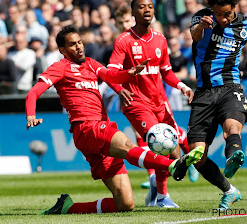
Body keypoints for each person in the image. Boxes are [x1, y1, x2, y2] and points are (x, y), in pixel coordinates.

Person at [25, 25, 204, 215]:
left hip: (97, 132)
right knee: (127, 144)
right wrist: (31, 115)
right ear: (62, 50)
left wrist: (129, 73)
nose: (79, 47)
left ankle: (67, 207)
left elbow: (111, 75)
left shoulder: (91, 64)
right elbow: (33, 93)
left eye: (79, 42)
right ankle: (172, 165)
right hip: (87, 127)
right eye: (72, 45)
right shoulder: (59, 68)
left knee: (125, 203)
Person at [108, 0, 195, 208]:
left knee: (168, 142)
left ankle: (158, 185)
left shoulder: (160, 39)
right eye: (141, 7)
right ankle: (162, 196)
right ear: (133, 13)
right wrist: (119, 89)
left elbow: (166, 72)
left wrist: (182, 86)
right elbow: (111, 72)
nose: (147, 10)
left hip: (159, 102)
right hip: (136, 102)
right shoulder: (124, 41)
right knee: (161, 141)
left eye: (150, 6)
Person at [188, 0, 247, 210]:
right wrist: (202, 26)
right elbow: (194, 37)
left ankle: (233, 155)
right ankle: (229, 190)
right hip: (203, 91)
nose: (222, 19)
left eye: (227, 14)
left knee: (231, 127)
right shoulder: (202, 18)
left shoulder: (243, 25)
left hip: (230, 86)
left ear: (235, 6)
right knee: (196, 153)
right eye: (218, 14)